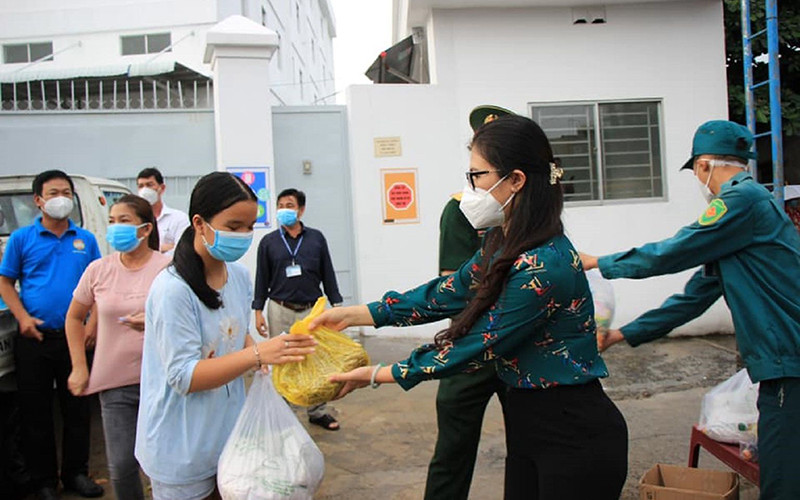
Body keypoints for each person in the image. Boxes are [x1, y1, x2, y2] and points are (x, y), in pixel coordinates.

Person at [309, 115, 629, 500]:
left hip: (573, 431)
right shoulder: (503, 241)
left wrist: (380, 373)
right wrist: (359, 314)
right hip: (529, 422)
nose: (471, 187)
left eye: (477, 175)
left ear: (516, 180)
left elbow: (481, 343)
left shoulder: (545, 263)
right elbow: (449, 290)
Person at [581, 120, 800, 500]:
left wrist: (599, 262)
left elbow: (674, 251)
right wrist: (620, 335)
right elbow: (693, 299)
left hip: (790, 365)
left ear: (703, 166)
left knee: (783, 482)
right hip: (783, 365)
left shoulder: (740, 201)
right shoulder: (742, 224)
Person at [135, 172, 316, 500]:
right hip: (183, 445)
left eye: (249, 226)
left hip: (232, 439)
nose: (244, 236)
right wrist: (259, 354)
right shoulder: (172, 290)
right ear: (199, 223)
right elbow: (183, 376)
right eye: (234, 227)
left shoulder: (238, 276)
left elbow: (234, 333)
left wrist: (259, 353)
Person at [424, 105, 511, 500]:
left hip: (519, 347)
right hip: (472, 346)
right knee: (453, 452)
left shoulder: (535, 213)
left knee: (531, 450)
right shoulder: (462, 209)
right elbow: (453, 289)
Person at [0, 170, 103, 500]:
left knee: (77, 409)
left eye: (67, 192)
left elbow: (100, 286)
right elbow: (5, 282)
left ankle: (77, 474)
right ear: (39, 200)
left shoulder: (85, 240)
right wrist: (22, 318)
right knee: (36, 412)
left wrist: (93, 324)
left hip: (76, 339)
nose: (62, 198)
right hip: (35, 339)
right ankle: (43, 481)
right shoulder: (21, 239)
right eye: (54, 192)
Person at [64, 195, 170, 500]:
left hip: (163, 381)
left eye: (123, 221)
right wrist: (79, 366)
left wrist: (153, 324)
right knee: (122, 465)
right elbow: (73, 317)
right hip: (115, 384)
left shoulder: (168, 268)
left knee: (165, 463)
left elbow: (188, 320)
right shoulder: (99, 270)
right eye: (111, 221)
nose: (115, 228)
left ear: (146, 229)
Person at [252, 188, 344, 431]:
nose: (284, 209)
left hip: (311, 309)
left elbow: (328, 272)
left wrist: (336, 304)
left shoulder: (316, 238)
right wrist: (258, 309)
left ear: (301, 210)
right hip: (280, 308)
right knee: (282, 359)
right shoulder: (269, 242)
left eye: (289, 205)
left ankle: (318, 411)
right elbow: (262, 277)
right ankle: (284, 411)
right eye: (280, 205)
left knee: (315, 359)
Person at [136, 167, 190, 254]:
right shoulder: (134, 220)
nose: (144, 190)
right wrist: (164, 247)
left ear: (162, 188)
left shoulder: (179, 219)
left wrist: (152, 250)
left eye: (149, 185)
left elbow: (182, 250)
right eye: (141, 186)